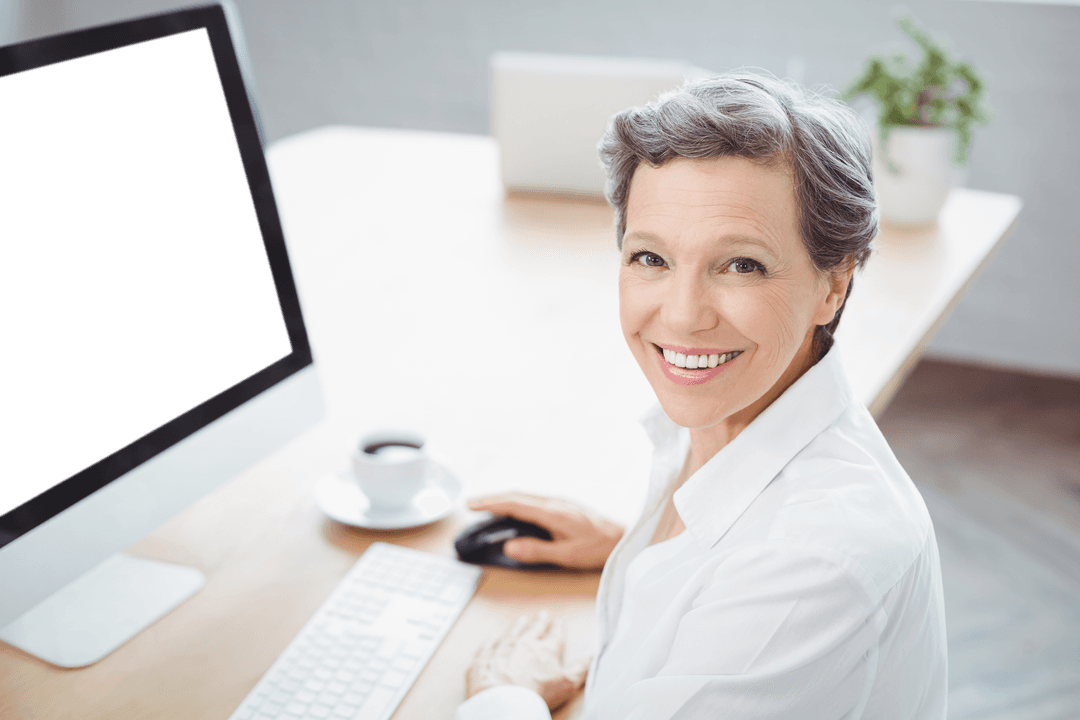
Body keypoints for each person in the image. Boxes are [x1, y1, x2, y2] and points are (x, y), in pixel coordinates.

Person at [456, 72, 948, 720]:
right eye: (651, 259)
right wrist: (638, 549)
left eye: (740, 265)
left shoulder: (815, 566)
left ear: (834, 283)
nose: (684, 316)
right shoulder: (731, 429)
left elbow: (781, 579)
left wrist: (504, 691)